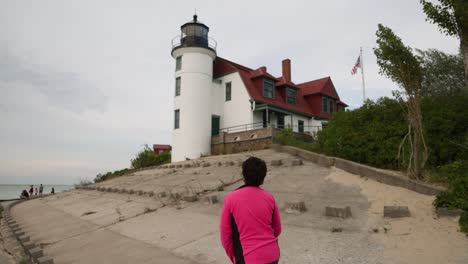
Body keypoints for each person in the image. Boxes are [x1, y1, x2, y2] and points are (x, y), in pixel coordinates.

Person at [220, 157, 282, 264]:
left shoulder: (230, 198)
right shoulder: (269, 197)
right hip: (272, 255)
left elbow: (225, 236)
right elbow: (277, 229)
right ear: (263, 177)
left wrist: (234, 257)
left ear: (244, 175)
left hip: (248, 257)